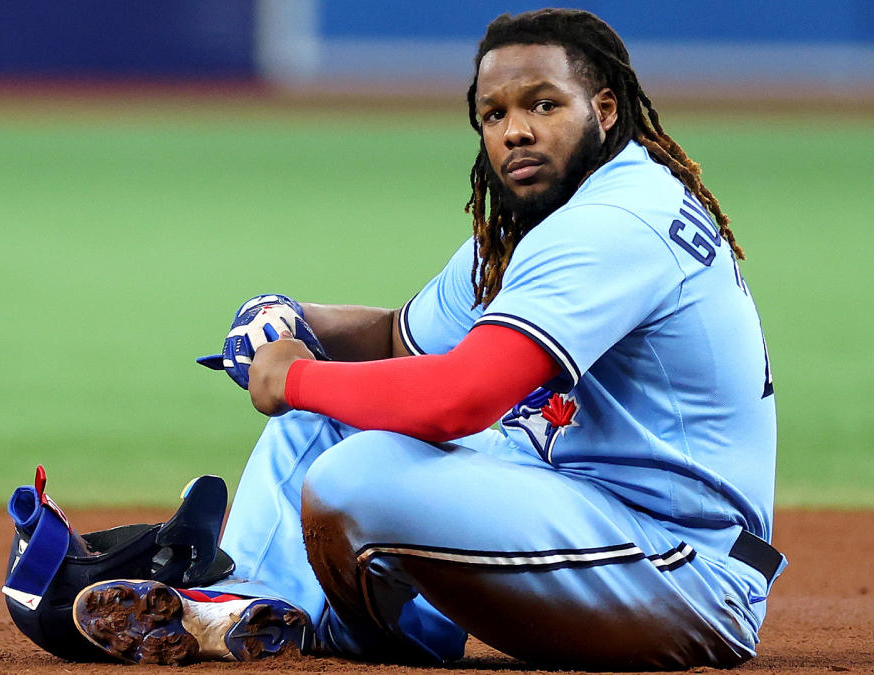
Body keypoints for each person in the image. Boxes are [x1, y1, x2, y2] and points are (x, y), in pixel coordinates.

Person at [71, 8, 784, 669]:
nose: (516, 131)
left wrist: (286, 376)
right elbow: (398, 340)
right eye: (494, 113)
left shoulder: (615, 222)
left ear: (603, 110)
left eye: (543, 104)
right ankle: (249, 608)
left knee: (356, 472)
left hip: (684, 567)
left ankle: (352, 623)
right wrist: (296, 319)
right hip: (584, 513)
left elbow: (459, 398)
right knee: (329, 417)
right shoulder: (542, 219)